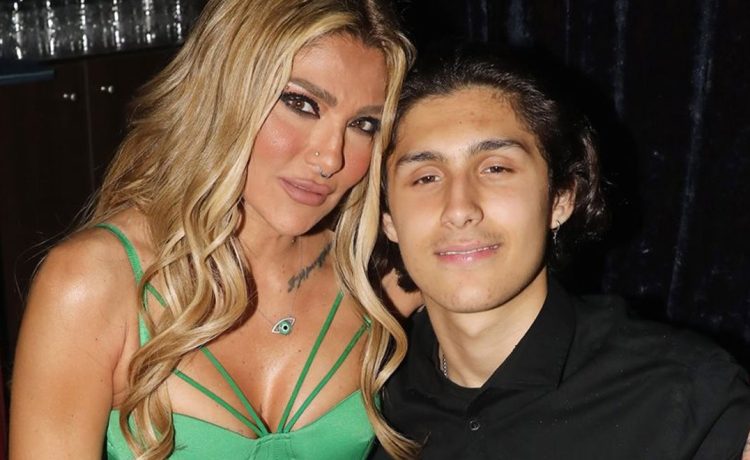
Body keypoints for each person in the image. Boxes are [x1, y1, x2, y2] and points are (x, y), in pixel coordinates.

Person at [9, 0, 419, 458]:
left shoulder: (375, 279)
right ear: (225, 92)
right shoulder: (92, 283)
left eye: (363, 124)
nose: (330, 158)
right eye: (300, 103)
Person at [352, 44, 750, 459]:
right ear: (388, 219)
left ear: (561, 198)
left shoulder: (685, 396)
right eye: (426, 177)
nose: (459, 208)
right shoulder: (363, 402)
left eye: (495, 168)